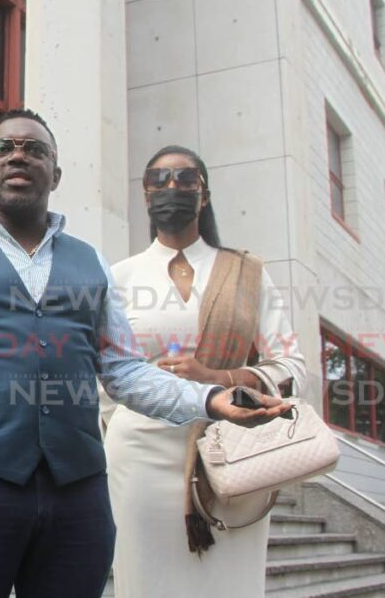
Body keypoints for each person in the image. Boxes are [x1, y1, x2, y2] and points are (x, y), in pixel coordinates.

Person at [0, 109, 293, 598]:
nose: (19, 155)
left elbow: (126, 371)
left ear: (56, 172)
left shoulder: (89, 261)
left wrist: (212, 399)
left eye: (35, 148)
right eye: (4, 148)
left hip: (78, 491)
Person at [102, 145, 307, 598]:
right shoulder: (119, 276)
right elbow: (105, 375)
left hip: (233, 456)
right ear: (144, 194)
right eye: (159, 179)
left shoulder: (246, 274)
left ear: (204, 194)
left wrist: (221, 377)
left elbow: (293, 366)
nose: (171, 188)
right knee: (146, 581)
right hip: (139, 455)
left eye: (185, 179)